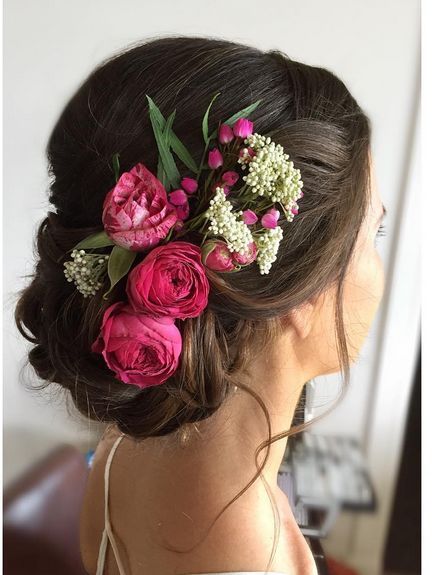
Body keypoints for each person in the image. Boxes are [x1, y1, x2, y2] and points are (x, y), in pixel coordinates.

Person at [14, 36, 386, 575]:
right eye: (374, 233)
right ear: (301, 296)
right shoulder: (239, 556)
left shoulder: (127, 446)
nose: (380, 268)